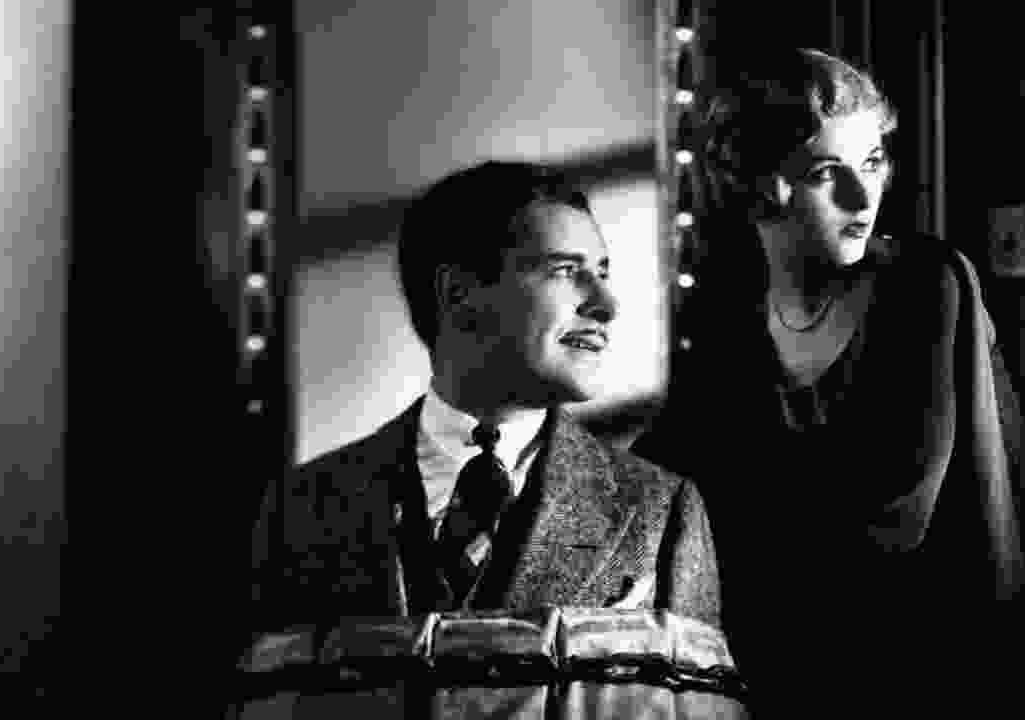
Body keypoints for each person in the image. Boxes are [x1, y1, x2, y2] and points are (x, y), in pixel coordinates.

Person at [633, 48, 1025, 706]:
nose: (863, 196)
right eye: (828, 173)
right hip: (765, 669)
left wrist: (750, 527)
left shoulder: (925, 284)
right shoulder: (730, 309)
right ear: (763, 185)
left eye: (872, 163)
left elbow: (898, 510)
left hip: (919, 669)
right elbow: (679, 474)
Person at [250, 161, 721, 635]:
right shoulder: (302, 510)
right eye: (565, 271)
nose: (607, 304)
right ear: (458, 294)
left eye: (601, 272)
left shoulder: (660, 512)